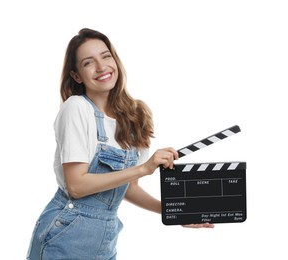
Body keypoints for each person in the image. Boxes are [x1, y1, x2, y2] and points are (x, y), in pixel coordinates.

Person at [26, 28, 214, 260]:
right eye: (88, 62)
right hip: (66, 233)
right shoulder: (76, 108)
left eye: (106, 56)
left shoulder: (135, 116)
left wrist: (175, 214)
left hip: (106, 238)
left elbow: (128, 188)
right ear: (76, 76)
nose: (101, 66)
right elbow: (76, 185)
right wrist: (143, 169)